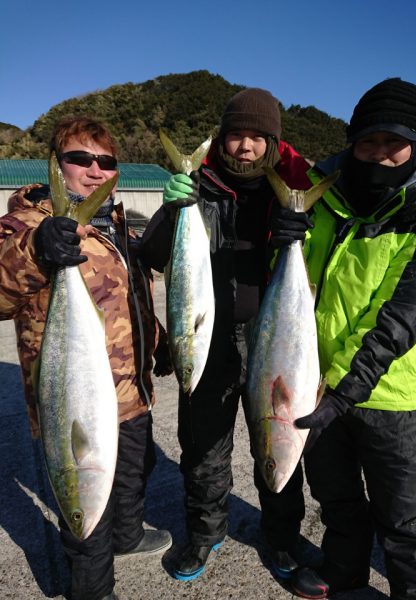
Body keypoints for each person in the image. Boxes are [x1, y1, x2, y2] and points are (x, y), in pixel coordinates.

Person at [285, 78, 416, 599]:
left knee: (403, 515)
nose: (379, 154)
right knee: (335, 498)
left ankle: (415, 593)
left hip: (386, 395)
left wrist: (347, 389)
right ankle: (344, 570)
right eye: (368, 142)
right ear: (352, 142)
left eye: (393, 143)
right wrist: (283, 243)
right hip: (315, 384)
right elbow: (295, 295)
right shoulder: (323, 196)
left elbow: (401, 318)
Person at [141, 88, 313, 581]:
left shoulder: (297, 189)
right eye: (236, 135)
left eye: (258, 137)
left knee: (279, 440)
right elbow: (152, 255)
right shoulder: (198, 185)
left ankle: (281, 537)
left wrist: (302, 229)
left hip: (274, 336)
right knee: (203, 447)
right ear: (222, 138)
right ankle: (205, 533)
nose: (245, 147)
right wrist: (173, 208)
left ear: (274, 142)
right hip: (208, 338)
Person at [0, 116, 173, 600]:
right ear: (57, 166)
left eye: (106, 162)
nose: (95, 171)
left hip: (129, 391)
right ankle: (92, 591)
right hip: (73, 399)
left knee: (135, 476)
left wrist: (158, 341)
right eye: (81, 159)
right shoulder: (24, 223)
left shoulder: (114, 224)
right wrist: (35, 250)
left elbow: (130, 298)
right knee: (85, 510)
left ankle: (129, 535)